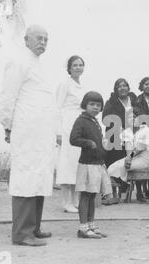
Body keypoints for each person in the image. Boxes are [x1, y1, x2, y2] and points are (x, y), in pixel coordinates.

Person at [0, 25, 55, 247]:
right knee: (26, 176)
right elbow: (7, 96)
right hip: (26, 130)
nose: (42, 42)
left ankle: (34, 227)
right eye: (38, 38)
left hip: (40, 132)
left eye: (46, 39)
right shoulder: (18, 62)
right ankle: (22, 233)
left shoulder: (38, 65)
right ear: (26, 40)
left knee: (39, 176)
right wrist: (7, 125)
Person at [70, 91, 112, 239]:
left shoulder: (95, 122)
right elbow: (73, 139)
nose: (95, 107)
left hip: (97, 163)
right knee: (85, 196)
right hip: (87, 164)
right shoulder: (81, 120)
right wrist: (88, 143)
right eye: (92, 104)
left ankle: (91, 225)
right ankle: (83, 229)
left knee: (93, 195)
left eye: (98, 105)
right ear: (85, 105)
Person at [55, 55, 85, 213]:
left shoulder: (81, 85)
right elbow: (57, 108)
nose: (78, 68)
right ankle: (66, 202)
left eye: (81, 65)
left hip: (79, 126)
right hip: (66, 126)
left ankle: (75, 200)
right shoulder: (64, 84)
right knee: (66, 164)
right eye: (75, 65)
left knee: (76, 164)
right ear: (69, 67)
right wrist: (58, 132)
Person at [103, 78, 140, 203]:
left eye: (125, 85)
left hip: (133, 134)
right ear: (116, 89)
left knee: (128, 160)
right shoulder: (111, 102)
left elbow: (142, 114)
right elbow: (106, 117)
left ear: (129, 88)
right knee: (115, 161)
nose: (123, 88)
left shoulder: (134, 100)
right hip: (116, 136)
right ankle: (114, 193)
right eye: (119, 86)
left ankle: (125, 191)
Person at [107, 116, 149, 203]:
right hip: (133, 157)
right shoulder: (127, 132)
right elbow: (128, 149)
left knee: (123, 167)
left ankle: (124, 192)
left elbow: (141, 148)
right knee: (111, 168)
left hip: (144, 159)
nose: (132, 120)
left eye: (134, 118)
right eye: (129, 118)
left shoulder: (146, 130)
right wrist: (128, 158)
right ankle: (121, 190)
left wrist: (129, 157)